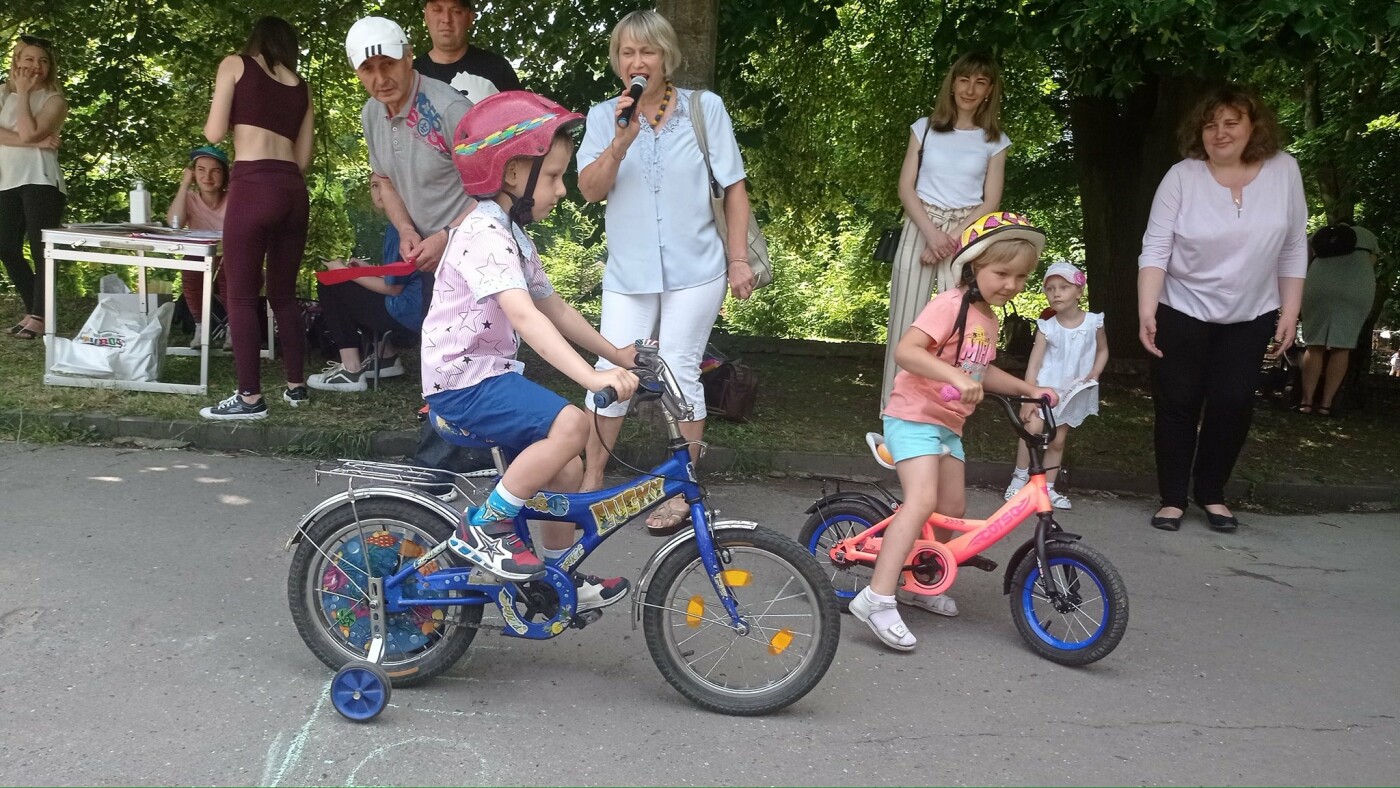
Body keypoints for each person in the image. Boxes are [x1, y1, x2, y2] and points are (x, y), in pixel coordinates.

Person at [429, 89, 638, 609]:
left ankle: (554, 579)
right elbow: (523, 313)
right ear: (512, 174)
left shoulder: (514, 236)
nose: (562, 190)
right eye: (551, 177)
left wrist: (617, 355)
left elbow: (555, 308)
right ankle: (489, 525)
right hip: (462, 381)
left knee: (565, 472)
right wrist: (592, 380)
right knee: (574, 424)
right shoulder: (482, 231)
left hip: (487, 376)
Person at [576, 10, 758, 534]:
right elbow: (590, 190)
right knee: (612, 372)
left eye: (647, 52)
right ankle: (593, 481)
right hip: (630, 271)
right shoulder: (602, 116)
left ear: (666, 57)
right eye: (628, 53)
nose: (638, 62)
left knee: (679, 369)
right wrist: (620, 142)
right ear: (617, 61)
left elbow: (735, 187)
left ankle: (682, 489)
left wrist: (738, 258)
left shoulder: (705, 109)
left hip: (696, 268)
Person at [852, 212, 1057, 651]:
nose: (1012, 284)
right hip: (912, 416)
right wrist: (958, 378)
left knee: (950, 507)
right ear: (974, 266)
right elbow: (908, 351)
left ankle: (919, 581)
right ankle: (877, 597)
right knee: (922, 500)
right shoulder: (949, 304)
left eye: (1021, 277)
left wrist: (1028, 390)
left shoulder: (988, 319)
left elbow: (981, 370)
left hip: (948, 425)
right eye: (1002, 273)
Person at [1138, 83, 1306, 533]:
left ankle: (1211, 493)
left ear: (1255, 127)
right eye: (1210, 125)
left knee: (1232, 403)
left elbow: (1293, 246)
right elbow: (1155, 247)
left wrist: (1289, 311)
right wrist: (1147, 309)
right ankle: (1172, 498)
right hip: (1181, 307)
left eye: (1231, 123)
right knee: (1178, 403)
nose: (1220, 133)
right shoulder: (1181, 176)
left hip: (1252, 314)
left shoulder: (1284, 170)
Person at [346, 15, 491, 487]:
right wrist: (405, 229)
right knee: (442, 355)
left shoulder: (448, 108)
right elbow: (384, 180)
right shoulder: (372, 113)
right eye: (368, 71)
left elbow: (491, 190)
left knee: (467, 355)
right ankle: (458, 453)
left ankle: (439, 464)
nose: (380, 78)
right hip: (428, 249)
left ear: (409, 56)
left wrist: (446, 235)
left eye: (388, 64)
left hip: (474, 245)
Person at [198, 17, 314, 420]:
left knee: (242, 295)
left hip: (252, 185)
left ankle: (249, 397)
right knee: (283, 293)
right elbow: (303, 159)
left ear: (255, 40)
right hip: (292, 191)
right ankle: (296, 386)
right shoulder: (301, 86)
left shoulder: (235, 64)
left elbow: (213, 133)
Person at [881, 51, 1010, 408]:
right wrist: (932, 235)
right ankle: (894, 409)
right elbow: (906, 187)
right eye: (964, 79)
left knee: (957, 321)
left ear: (989, 91)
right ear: (952, 84)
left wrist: (950, 240)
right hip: (920, 224)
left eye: (980, 82)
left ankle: (943, 407)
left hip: (967, 232)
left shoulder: (996, 141)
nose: (971, 88)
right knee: (906, 320)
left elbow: (991, 200)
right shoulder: (923, 127)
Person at [1004, 262, 1108, 510]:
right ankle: (1019, 479)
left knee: (1058, 440)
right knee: (1032, 429)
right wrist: (1028, 398)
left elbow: (1103, 351)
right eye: (1050, 289)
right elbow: (1034, 364)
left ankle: (1047, 488)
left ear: (1079, 291)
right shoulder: (1046, 327)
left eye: (1063, 287)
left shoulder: (1094, 322)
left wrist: (1095, 372)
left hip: (1071, 392)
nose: (1056, 293)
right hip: (1044, 391)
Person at [308, 177, 421, 392]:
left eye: (387, 186)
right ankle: (384, 357)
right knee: (351, 285)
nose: (379, 193)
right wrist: (364, 269)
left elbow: (394, 289)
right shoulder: (405, 224)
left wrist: (343, 272)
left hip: (406, 313)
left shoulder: (401, 230)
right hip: (414, 309)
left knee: (330, 283)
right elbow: (399, 277)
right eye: (374, 185)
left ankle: (350, 369)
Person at [1, 34, 67, 341]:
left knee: (43, 250)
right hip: (5, 179)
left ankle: (39, 317)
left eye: (42, 60)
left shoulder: (54, 100)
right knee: (5, 246)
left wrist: (25, 94)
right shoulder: (1, 93)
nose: (35, 66)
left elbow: (26, 133)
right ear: (16, 60)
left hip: (40, 179)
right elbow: (30, 138)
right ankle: (35, 310)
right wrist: (37, 141)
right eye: (29, 59)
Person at [1297, 224, 1380, 417]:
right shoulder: (1368, 234)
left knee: (1314, 345)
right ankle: (1326, 404)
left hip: (1319, 287)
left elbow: (1304, 261)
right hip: (1356, 289)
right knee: (1342, 346)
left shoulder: (1318, 234)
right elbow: (1372, 262)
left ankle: (1306, 402)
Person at [166, 144, 229, 349]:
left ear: (224, 174)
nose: (207, 176)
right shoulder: (190, 198)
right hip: (200, 255)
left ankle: (233, 327)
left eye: (215, 171)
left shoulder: (234, 198)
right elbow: (174, 224)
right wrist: (184, 185)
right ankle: (201, 327)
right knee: (191, 265)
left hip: (229, 256)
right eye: (201, 170)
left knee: (229, 269)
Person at [413, 0, 521, 103]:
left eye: (456, 11)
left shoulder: (497, 68)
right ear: (426, 16)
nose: (446, 19)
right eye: (437, 10)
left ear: (470, 18)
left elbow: (524, 117)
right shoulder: (410, 75)